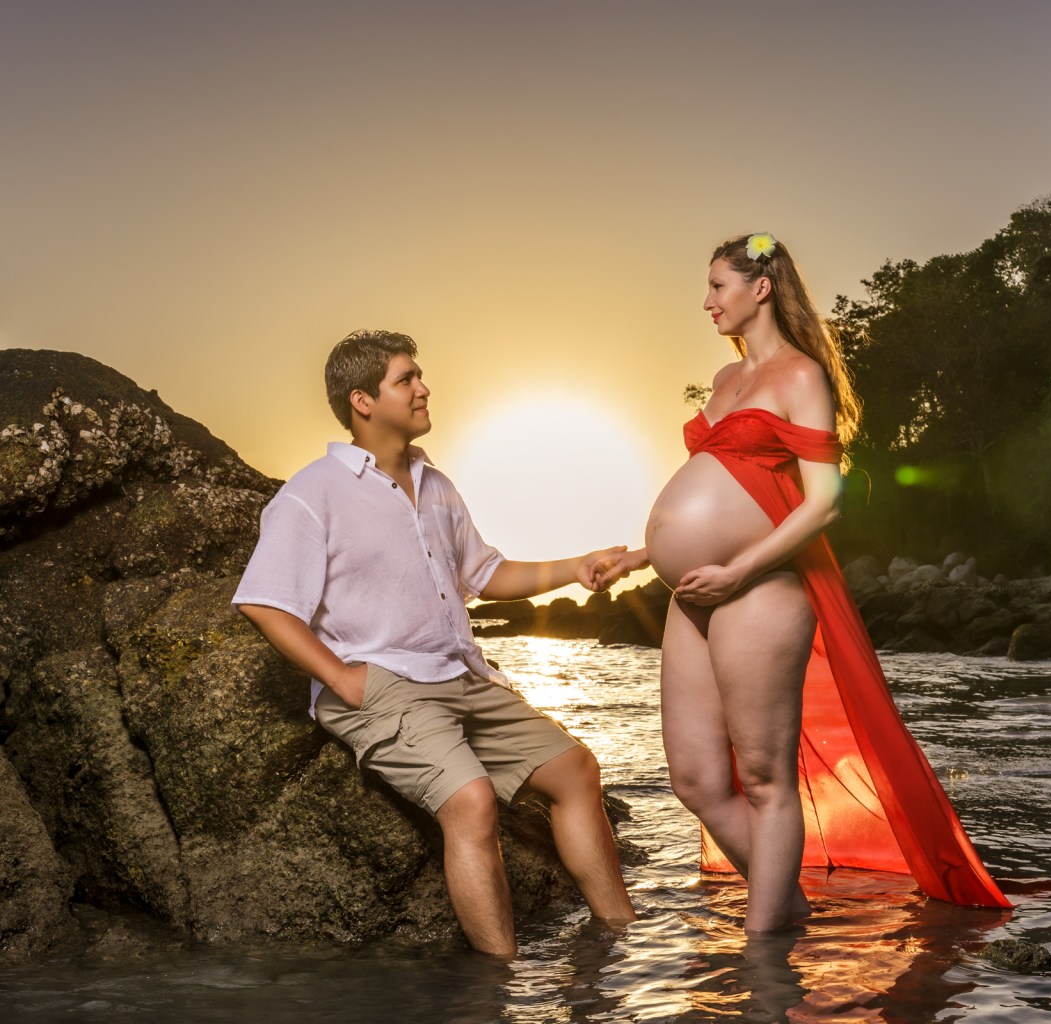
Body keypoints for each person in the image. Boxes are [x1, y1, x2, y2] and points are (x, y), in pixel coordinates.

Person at [600, 234, 1009, 933]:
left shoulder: (800, 377)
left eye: (718, 286)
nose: (707, 302)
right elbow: (735, 487)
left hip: (757, 590)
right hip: (693, 594)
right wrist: (647, 554)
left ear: (760, 288)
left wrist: (738, 566)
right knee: (695, 779)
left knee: (764, 780)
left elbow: (823, 502)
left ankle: (766, 955)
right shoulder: (726, 382)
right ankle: (783, 904)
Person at [233, 329, 637, 957]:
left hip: (462, 675)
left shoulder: (437, 484)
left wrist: (576, 566)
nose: (423, 388)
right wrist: (342, 680)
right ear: (363, 400)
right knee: (472, 802)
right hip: (383, 684)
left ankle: (621, 938)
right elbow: (263, 600)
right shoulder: (311, 494)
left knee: (576, 769)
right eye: (406, 379)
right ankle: (500, 980)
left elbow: (485, 574)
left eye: (419, 376)